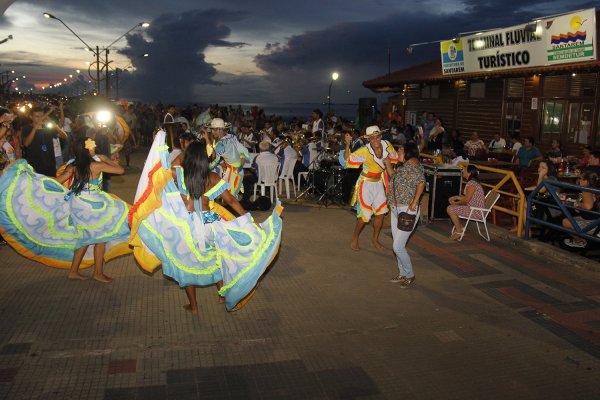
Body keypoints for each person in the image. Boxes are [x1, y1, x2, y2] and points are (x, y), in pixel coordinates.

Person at [128, 130, 283, 314]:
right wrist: (247, 221)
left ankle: (193, 306)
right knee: (217, 259)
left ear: (188, 158)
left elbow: (159, 170)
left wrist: (165, 146)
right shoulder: (212, 177)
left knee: (187, 264)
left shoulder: (178, 174)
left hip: (188, 227)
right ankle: (221, 295)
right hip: (210, 224)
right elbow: (232, 201)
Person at [0, 137, 131, 277]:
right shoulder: (96, 165)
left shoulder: (73, 166)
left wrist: (36, 180)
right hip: (92, 205)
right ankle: (97, 273)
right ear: (89, 150)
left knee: (85, 238)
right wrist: (105, 158)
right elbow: (120, 170)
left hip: (77, 204)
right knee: (100, 237)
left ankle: (74, 272)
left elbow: (57, 181)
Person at [340, 125, 398, 251]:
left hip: (379, 183)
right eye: (372, 138)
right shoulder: (364, 151)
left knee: (381, 213)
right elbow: (347, 161)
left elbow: (395, 159)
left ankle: (375, 239)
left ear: (380, 136)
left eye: (377, 137)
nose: (375, 140)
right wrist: (347, 144)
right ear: (368, 140)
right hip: (365, 184)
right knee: (365, 215)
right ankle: (355, 237)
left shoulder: (387, 145)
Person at [383, 142, 425, 288]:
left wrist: (415, 202)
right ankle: (402, 273)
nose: (397, 152)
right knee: (398, 244)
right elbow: (393, 176)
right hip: (396, 210)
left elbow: (421, 183)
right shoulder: (404, 167)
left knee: (398, 246)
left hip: (407, 211)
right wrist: (388, 163)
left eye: (400, 150)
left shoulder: (413, 165)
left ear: (408, 152)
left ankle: (410, 274)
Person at [208, 118, 249, 198]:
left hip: (232, 173)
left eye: (213, 130)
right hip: (235, 172)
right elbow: (245, 151)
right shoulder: (232, 137)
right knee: (228, 198)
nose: (212, 132)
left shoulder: (220, 144)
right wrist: (240, 166)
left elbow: (214, 162)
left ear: (219, 130)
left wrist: (203, 169)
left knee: (228, 198)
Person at [21, 105, 67, 177]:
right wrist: (35, 128)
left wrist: (56, 127)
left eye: (41, 116)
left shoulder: (47, 128)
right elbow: (26, 144)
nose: (40, 118)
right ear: (31, 117)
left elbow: (64, 136)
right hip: (35, 166)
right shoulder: (27, 128)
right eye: (37, 116)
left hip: (50, 165)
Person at [447, 165, 485, 240]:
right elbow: (468, 198)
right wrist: (456, 197)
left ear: (469, 173)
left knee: (450, 209)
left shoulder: (472, 184)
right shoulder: (472, 183)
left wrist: (455, 203)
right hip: (473, 209)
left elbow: (466, 200)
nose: (462, 172)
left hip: (476, 211)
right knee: (452, 208)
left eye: (464, 170)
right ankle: (460, 227)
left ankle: (459, 231)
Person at [562, 171, 599, 248]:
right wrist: (579, 206)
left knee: (565, 222)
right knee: (569, 218)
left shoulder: (586, 190)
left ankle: (579, 241)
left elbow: (588, 206)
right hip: (596, 221)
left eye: (581, 179)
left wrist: (577, 204)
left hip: (592, 224)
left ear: (586, 181)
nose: (579, 181)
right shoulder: (595, 189)